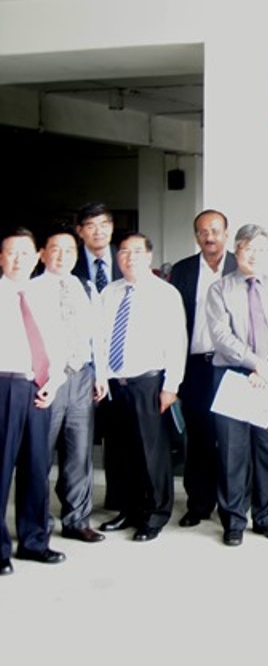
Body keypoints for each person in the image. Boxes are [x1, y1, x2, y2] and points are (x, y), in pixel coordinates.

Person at [207, 224, 268, 546]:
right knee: (233, 453)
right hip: (234, 375)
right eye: (248, 249)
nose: (254, 255)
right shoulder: (219, 289)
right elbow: (221, 336)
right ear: (237, 250)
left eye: (261, 249)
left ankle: (266, 519)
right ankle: (233, 521)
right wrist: (256, 364)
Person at [98, 233, 187, 542]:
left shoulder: (165, 293)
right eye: (124, 251)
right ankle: (129, 510)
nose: (130, 257)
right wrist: (100, 377)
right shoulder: (109, 292)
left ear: (149, 256)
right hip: (115, 385)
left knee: (152, 453)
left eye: (137, 251)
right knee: (121, 453)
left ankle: (155, 514)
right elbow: (100, 340)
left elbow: (177, 342)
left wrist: (171, 386)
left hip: (148, 383)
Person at [0, 228, 68, 576]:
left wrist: (53, 384)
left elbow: (58, 348)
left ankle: (34, 542)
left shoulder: (44, 298)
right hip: (3, 387)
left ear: (37, 257)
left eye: (25, 253)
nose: (18, 260)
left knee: (36, 469)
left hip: (38, 390)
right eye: (11, 253)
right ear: (0, 258)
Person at [36, 229, 107, 543]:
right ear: (42, 254)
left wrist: (101, 375)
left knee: (79, 453)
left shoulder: (86, 287)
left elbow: (98, 335)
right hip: (46, 379)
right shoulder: (31, 289)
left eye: (69, 250)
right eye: (55, 249)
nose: (62, 256)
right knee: (39, 453)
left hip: (81, 377)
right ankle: (37, 522)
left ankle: (77, 520)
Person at [169, 209, 237, 528]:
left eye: (215, 230)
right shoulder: (182, 270)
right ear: (196, 235)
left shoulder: (241, 265)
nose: (209, 237)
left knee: (233, 437)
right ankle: (198, 503)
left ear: (226, 233)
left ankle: (233, 505)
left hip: (234, 366)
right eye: (203, 231)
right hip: (196, 365)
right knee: (198, 437)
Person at [71, 202, 123, 514]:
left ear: (112, 227)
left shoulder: (127, 258)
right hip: (79, 366)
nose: (98, 231)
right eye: (90, 226)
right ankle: (76, 506)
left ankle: (118, 499)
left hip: (122, 365)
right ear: (80, 232)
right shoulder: (69, 262)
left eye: (104, 224)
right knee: (77, 440)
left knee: (119, 437)